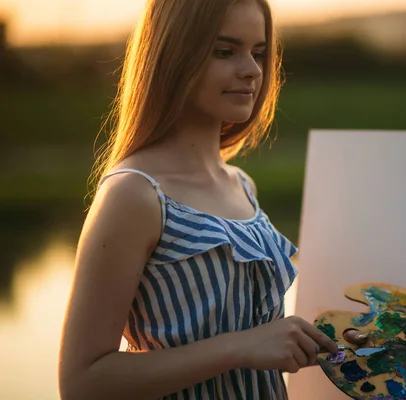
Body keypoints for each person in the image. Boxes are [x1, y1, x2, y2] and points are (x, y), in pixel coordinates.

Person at [57, 0, 341, 399]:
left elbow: (259, 341)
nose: (252, 70)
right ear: (174, 57)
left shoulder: (242, 185)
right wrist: (242, 346)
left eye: (258, 53)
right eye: (225, 52)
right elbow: (82, 383)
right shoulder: (135, 195)